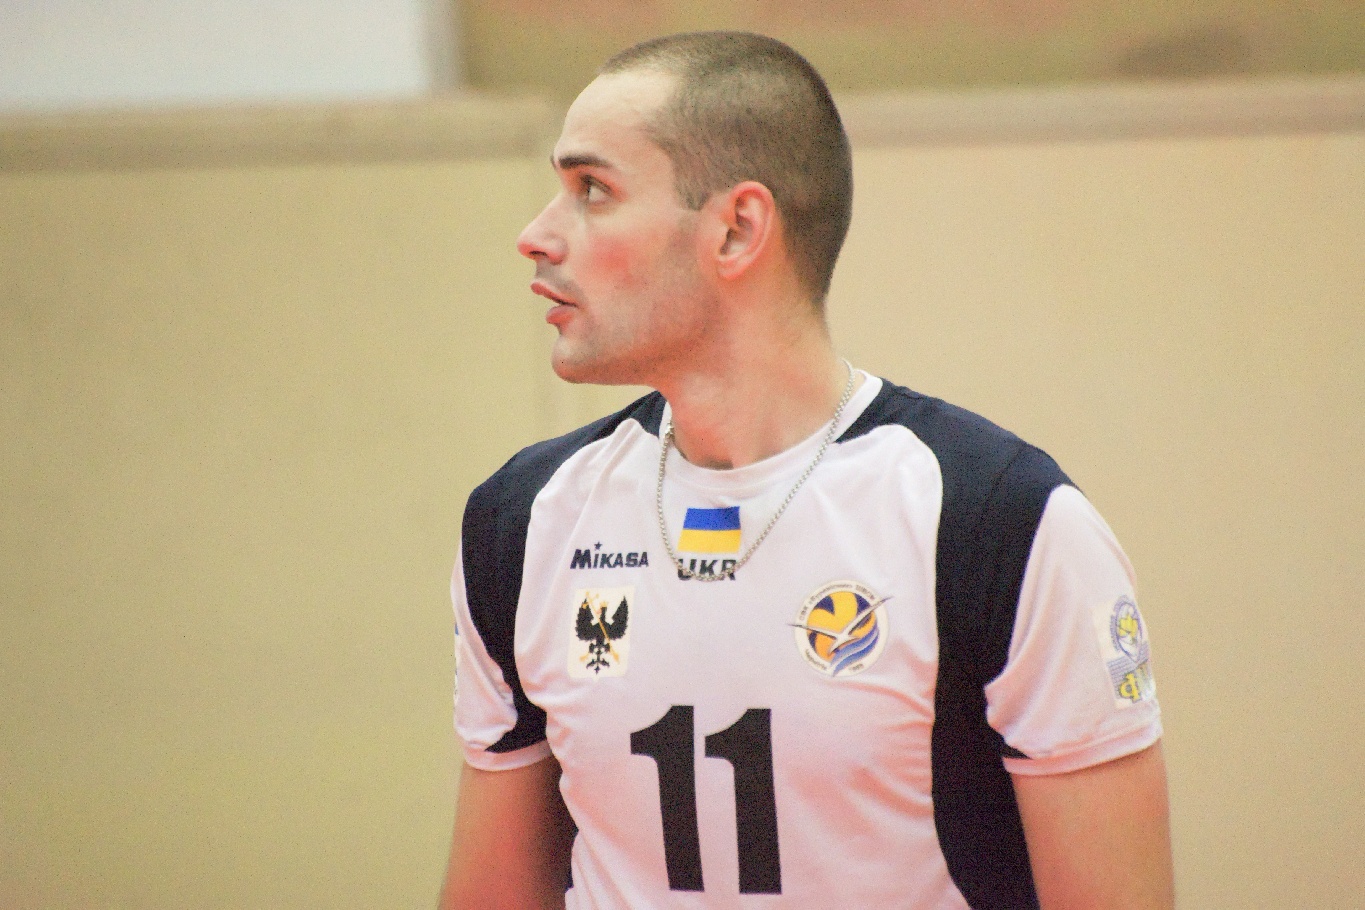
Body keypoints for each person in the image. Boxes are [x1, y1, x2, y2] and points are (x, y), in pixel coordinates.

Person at [440, 31, 1173, 910]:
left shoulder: (996, 521)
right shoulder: (525, 519)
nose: (535, 236)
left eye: (591, 190)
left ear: (737, 229)